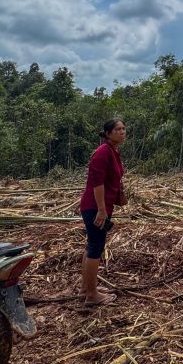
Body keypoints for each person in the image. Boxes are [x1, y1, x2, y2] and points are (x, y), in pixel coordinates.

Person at [79, 118, 127, 305]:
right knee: (96, 249)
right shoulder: (102, 153)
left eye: (123, 129)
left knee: (92, 246)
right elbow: (96, 183)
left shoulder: (113, 151)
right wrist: (100, 210)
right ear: (107, 133)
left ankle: (86, 288)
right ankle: (92, 295)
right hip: (96, 207)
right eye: (117, 129)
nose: (122, 132)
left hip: (99, 206)